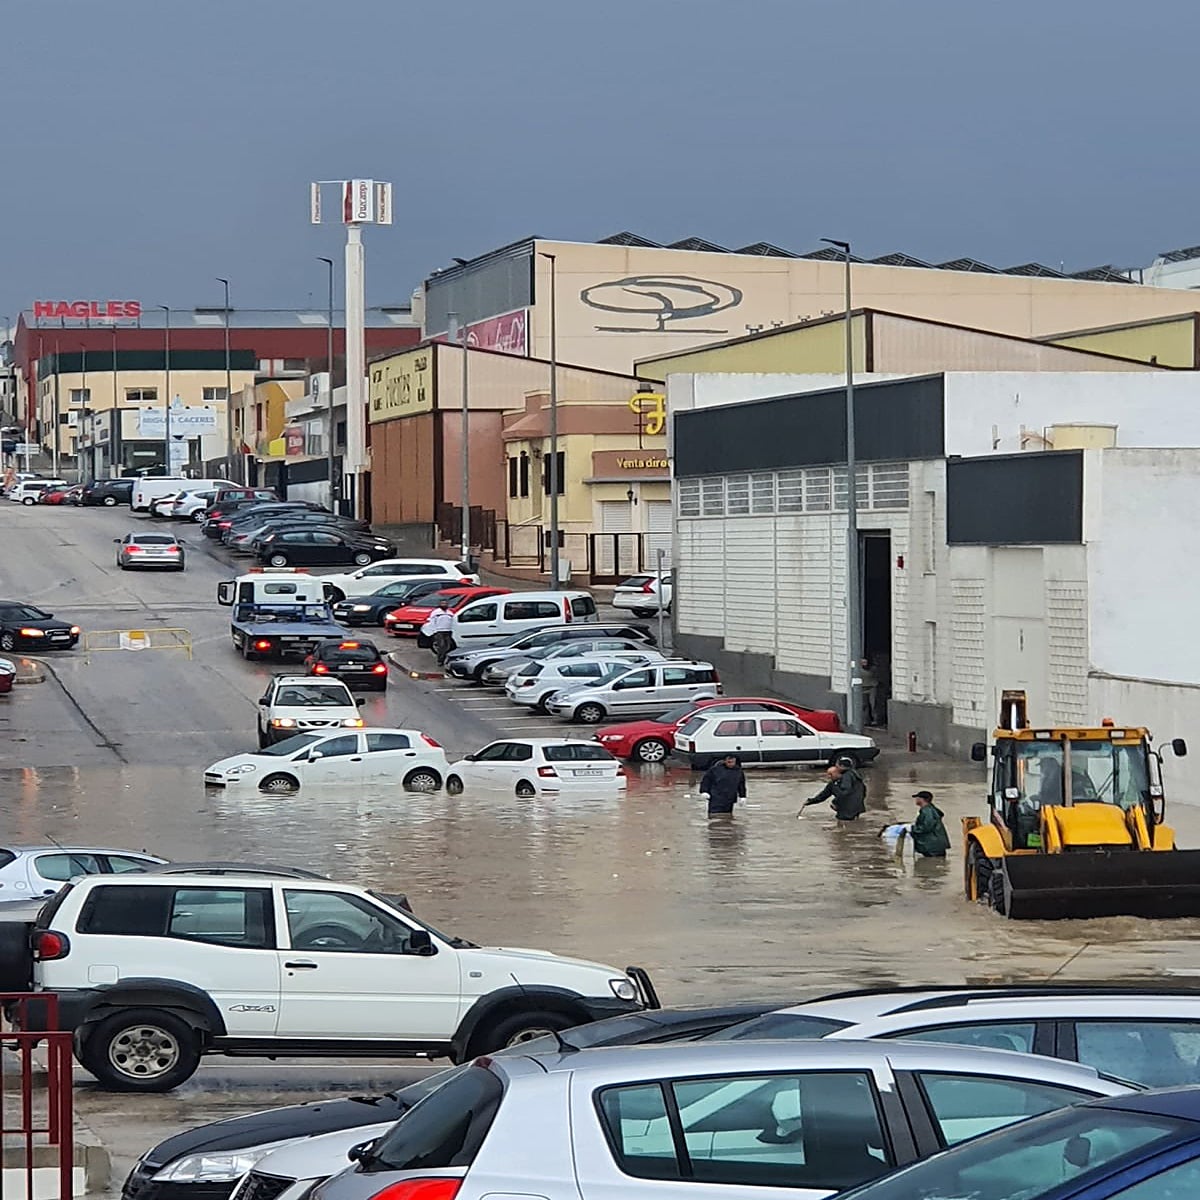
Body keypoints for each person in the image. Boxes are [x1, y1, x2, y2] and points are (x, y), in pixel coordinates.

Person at [802, 756, 867, 820]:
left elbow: (845, 792)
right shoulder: (855, 776)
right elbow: (823, 795)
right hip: (856, 808)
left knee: (844, 825)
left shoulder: (846, 777)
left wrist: (835, 802)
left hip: (847, 810)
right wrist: (810, 801)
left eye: (831, 774)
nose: (829, 777)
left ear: (841, 768)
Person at [699, 754, 747, 818]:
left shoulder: (738, 771)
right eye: (729, 762)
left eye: (733, 762)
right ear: (724, 761)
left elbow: (741, 784)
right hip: (716, 798)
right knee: (714, 817)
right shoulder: (715, 770)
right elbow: (706, 780)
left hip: (729, 799)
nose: (731, 764)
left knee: (727, 817)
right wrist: (704, 791)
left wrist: (742, 796)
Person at [910, 790, 951, 857]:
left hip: (931, 846)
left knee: (931, 862)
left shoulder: (927, 811)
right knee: (936, 861)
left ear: (922, 799)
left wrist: (912, 829)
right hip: (935, 845)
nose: (916, 799)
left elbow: (927, 827)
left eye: (917, 798)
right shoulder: (930, 809)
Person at [420, 599, 456, 664]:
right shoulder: (436, 612)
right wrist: (434, 631)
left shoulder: (450, 613)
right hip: (439, 631)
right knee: (441, 646)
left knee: (447, 646)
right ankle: (440, 660)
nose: (444, 605)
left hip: (448, 631)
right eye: (442, 603)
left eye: (445, 603)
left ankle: (445, 659)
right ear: (440, 604)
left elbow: (452, 622)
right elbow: (432, 622)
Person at [859, 658, 880, 726]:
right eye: (863, 663)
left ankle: (875, 719)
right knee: (864, 705)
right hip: (863, 688)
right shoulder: (858, 670)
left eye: (866, 662)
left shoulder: (873, 669)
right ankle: (866, 720)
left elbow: (877, 676)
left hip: (872, 687)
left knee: (873, 704)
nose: (865, 664)